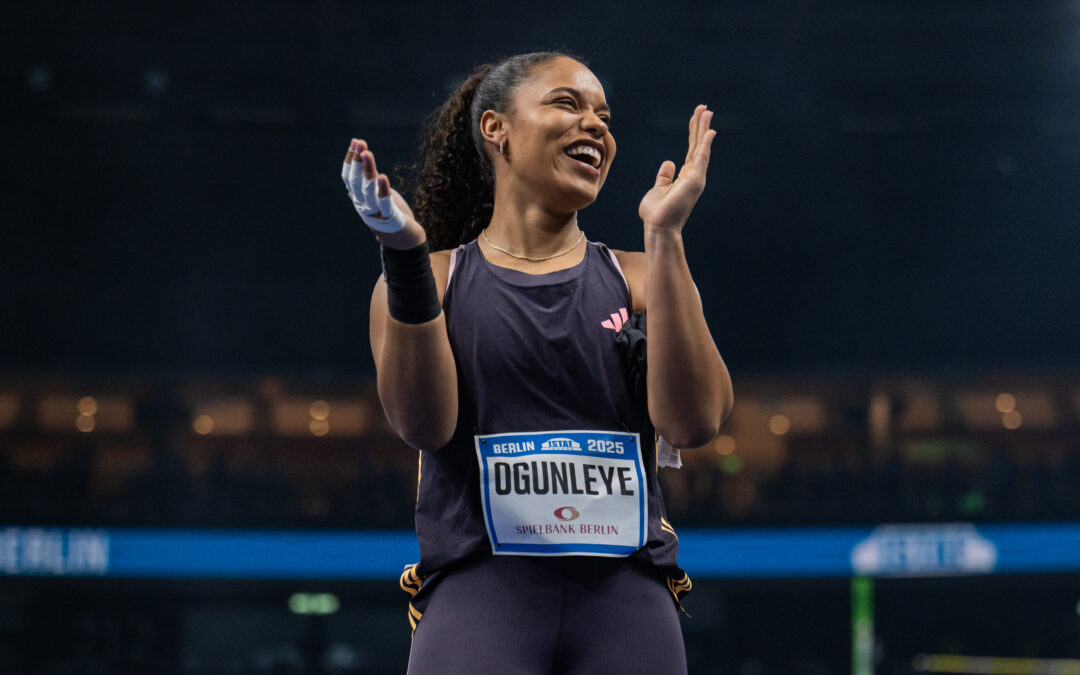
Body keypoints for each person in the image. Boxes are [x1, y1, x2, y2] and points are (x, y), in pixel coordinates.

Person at [342, 51, 732, 675]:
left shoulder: (638, 276)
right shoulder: (434, 279)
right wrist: (406, 256)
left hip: (626, 597)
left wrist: (666, 237)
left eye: (604, 115)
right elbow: (424, 426)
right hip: (479, 594)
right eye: (568, 103)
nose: (597, 126)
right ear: (496, 128)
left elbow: (697, 423)